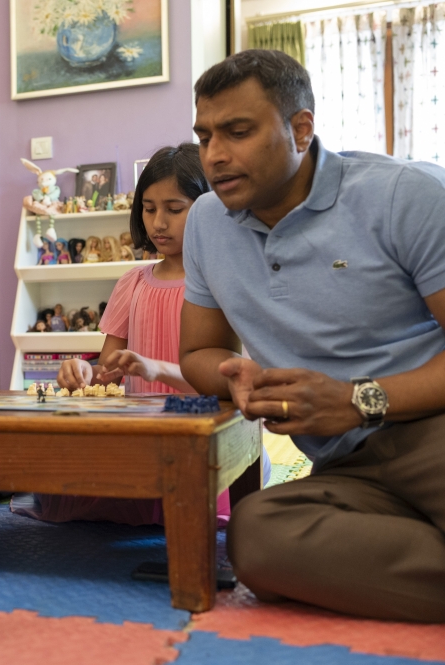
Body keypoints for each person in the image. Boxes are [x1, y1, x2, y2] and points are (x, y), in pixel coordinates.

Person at [181, 50, 445, 622]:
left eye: (238, 132)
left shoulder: (404, 195)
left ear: (300, 128)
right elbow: (198, 352)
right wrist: (235, 375)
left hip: (430, 429)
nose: (215, 156)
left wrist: (355, 401)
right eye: (204, 136)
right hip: (346, 468)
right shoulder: (204, 222)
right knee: (257, 538)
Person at [15, 144, 269, 525]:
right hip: (143, 436)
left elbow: (234, 381)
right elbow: (108, 370)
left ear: (208, 208)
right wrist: (83, 371)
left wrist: (156, 369)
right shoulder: (132, 282)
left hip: (208, 437)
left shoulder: (226, 280)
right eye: (149, 209)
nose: (158, 223)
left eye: (174, 209)